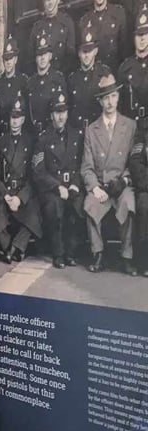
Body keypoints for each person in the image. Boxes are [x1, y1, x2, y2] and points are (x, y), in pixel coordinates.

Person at [81, 72, 137, 275]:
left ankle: (126, 256)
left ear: (118, 97)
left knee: (128, 203)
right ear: (100, 101)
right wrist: (95, 188)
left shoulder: (130, 126)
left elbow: (135, 161)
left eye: (113, 96)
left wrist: (124, 180)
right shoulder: (91, 129)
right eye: (105, 98)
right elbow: (86, 167)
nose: (110, 102)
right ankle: (98, 253)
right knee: (90, 204)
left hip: (121, 185)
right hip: (102, 187)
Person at [32, 90, 85, 269]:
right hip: (51, 189)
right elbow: (38, 171)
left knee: (77, 205)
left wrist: (75, 185)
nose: (60, 117)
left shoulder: (77, 135)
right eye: (57, 112)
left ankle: (71, 252)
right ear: (51, 115)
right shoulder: (43, 138)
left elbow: (81, 164)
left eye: (63, 112)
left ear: (67, 113)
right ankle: (59, 253)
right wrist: (57, 186)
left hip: (72, 186)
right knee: (54, 207)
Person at [0, 97, 42, 263]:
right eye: (12, 117)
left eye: (18, 118)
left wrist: (20, 197)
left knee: (35, 212)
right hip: (6, 191)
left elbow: (34, 176)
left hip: (22, 192)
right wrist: (5, 195)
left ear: (23, 119)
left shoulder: (31, 141)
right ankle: (8, 246)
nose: (14, 121)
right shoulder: (2, 141)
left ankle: (15, 247)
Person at [67, 27, 111, 133]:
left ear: (95, 51)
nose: (86, 55)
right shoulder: (72, 79)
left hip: (99, 132)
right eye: (83, 51)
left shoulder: (104, 74)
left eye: (89, 51)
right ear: (79, 53)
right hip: (77, 131)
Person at [28, 34, 68, 134]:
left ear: (50, 56)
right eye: (39, 55)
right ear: (35, 58)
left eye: (45, 54)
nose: (42, 58)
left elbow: (63, 108)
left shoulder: (58, 78)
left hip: (53, 133)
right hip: (34, 132)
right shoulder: (31, 82)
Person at [118, 7, 148, 129]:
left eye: (146, 34)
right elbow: (120, 106)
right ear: (133, 37)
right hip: (131, 128)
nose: (142, 39)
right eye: (139, 35)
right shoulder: (125, 68)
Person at [78, 0, 128, 74]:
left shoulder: (118, 13)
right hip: (94, 75)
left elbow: (125, 47)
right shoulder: (85, 20)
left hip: (114, 71)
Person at [0, 37, 28, 138]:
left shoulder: (23, 81)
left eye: (10, 58)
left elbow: (28, 111)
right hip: (3, 134)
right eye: (6, 59)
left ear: (15, 59)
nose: (8, 62)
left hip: (20, 133)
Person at [29, 0, 76, 74]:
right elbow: (31, 58)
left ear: (58, 1)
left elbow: (71, 55)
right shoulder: (37, 27)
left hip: (62, 76)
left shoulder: (67, 22)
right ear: (43, 2)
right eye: (47, 0)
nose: (50, 3)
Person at [127, 117, 148, 277]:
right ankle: (144, 262)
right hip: (146, 186)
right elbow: (136, 162)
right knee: (143, 206)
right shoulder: (143, 130)